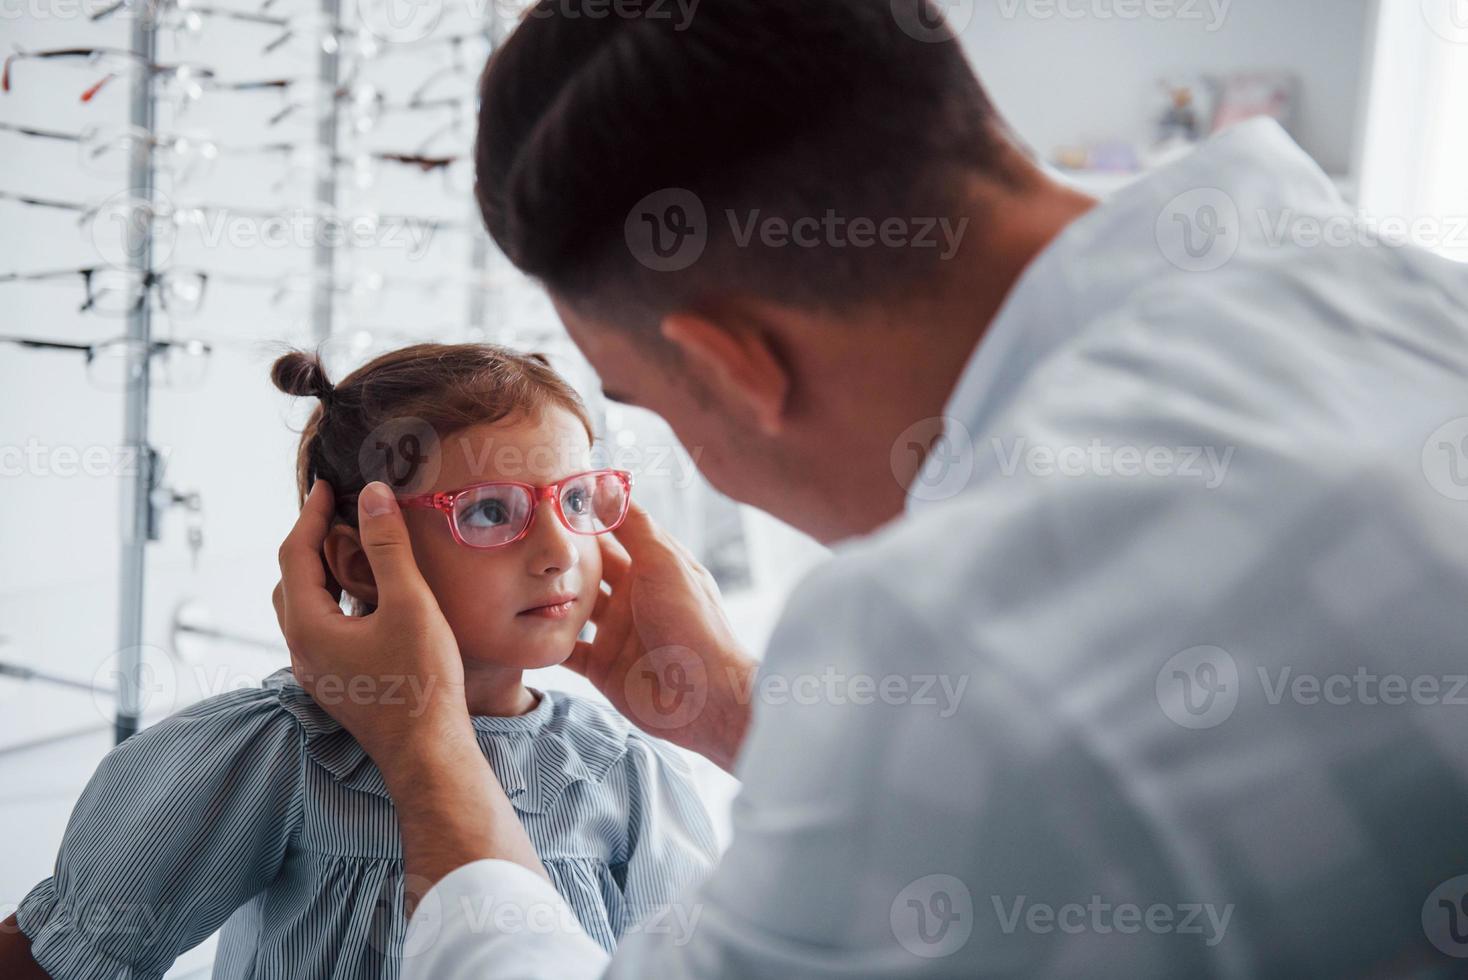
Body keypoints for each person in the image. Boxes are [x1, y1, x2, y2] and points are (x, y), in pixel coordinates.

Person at [268, 1, 1468, 977]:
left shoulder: (953, 622)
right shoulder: (1414, 301)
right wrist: (733, 710)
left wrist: (426, 753)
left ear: (736, 364)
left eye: (641, 408)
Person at [0, 344, 717, 979]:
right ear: (360, 563)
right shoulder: (281, 753)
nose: (561, 550)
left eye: (578, 498)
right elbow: (62, 955)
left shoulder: (623, 772)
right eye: (491, 512)